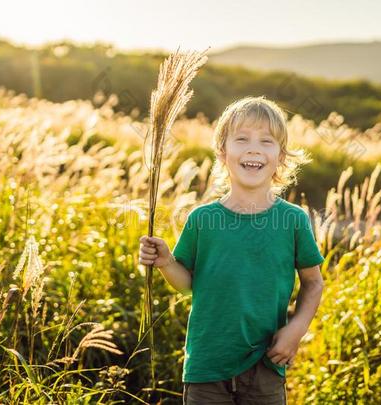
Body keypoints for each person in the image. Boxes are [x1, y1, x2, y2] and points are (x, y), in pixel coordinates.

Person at [139, 96, 325, 404]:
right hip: (206, 364)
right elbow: (188, 285)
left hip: (265, 364)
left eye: (267, 141)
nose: (254, 148)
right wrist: (166, 261)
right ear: (223, 152)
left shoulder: (293, 219)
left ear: (280, 156)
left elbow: (313, 282)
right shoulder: (203, 219)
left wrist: (296, 330)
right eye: (242, 139)